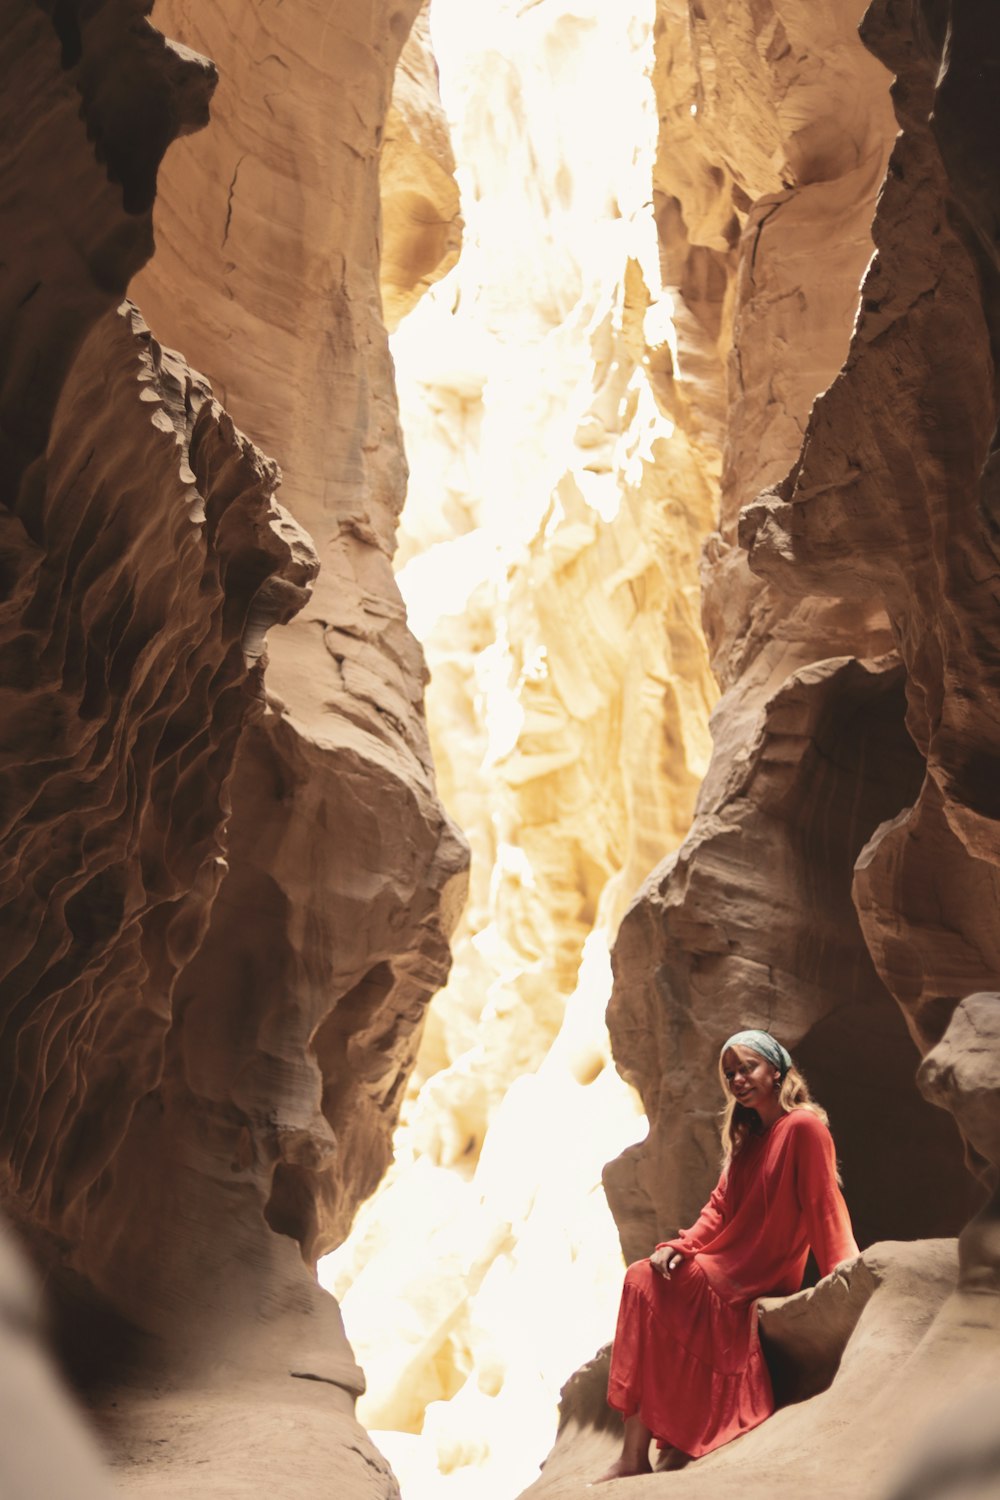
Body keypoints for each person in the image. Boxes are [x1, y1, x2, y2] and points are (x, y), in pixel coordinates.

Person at [597, 1029, 858, 1480]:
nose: (738, 1079)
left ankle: (641, 1454)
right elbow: (718, 1208)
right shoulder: (748, 1139)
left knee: (643, 1283)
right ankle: (638, 1454)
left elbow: (822, 1204)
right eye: (730, 1073)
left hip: (757, 1271)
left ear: (776, 1070)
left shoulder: (803, 1127)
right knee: (644, 1279)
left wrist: (845, 1273)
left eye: (748, 1067)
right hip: (724, 1264)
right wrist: (682, 1245)